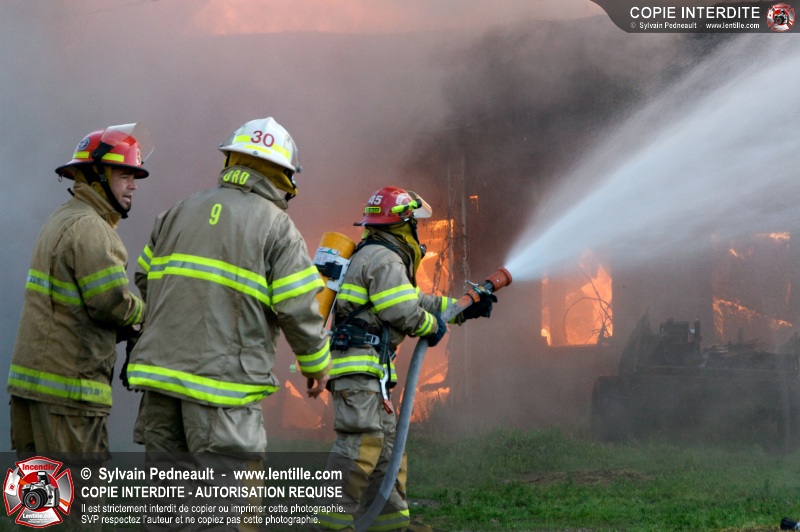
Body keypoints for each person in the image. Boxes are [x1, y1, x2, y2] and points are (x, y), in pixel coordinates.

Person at [127, 116, 331, 454]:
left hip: (160, 382)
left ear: (231, 159)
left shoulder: (177, 212)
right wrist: (317, 365)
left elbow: (144, 279)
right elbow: (297, 306)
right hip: (222, 391)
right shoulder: (278, 227)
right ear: (284, 176)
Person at [315, 186, 495, 532]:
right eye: (415, 223)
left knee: (385, 454)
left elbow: (415, 301)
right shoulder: (384, 259)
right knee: (358, 449)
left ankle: (391, 524)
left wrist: (462, 309)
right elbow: (401, 310)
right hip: (360, 371)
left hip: (371, 375)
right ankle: (329, 526)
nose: (417, 230)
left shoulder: (377, 255)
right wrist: (431, 326)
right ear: (404, 223)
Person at [7, 123, 152, 455]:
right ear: (97, 176)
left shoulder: (62, 218)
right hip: (68, 396)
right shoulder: (92, 228)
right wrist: (148, 312)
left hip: (33, 389)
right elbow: (111, 304)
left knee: (39, 489)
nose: (133, 185)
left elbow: (72, 305)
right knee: (76, 488)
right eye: (125, 175)